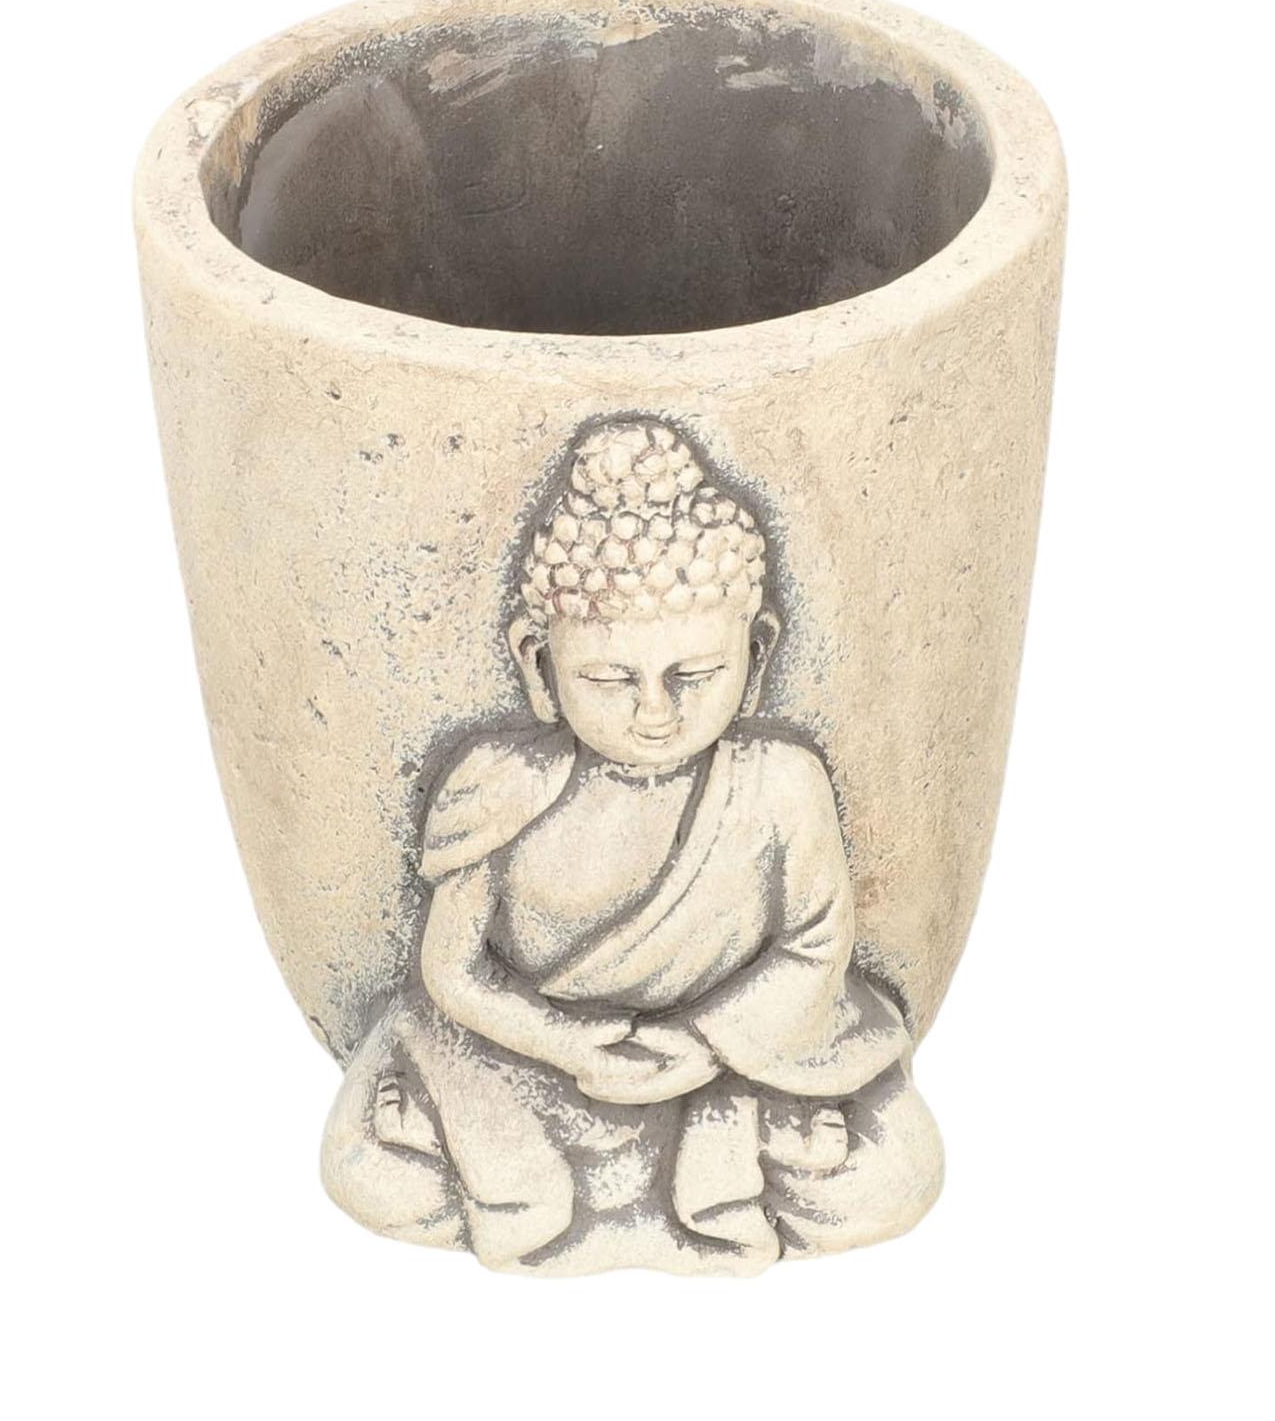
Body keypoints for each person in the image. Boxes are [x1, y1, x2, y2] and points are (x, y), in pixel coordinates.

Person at [322, 422, 942, 1275]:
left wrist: (705, 1045)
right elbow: (452, 972)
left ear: (757, 652)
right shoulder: (499, 783)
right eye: (611, 679)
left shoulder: (779, 783)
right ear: (538, 660)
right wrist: (563, 1044)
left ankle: (695, 1158)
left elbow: (815, 950)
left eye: (695, 675)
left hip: (729, 1072)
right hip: (528, 1068)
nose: (656, 712)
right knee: (365, 1175)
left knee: (899, 1175)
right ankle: (685, 1182)